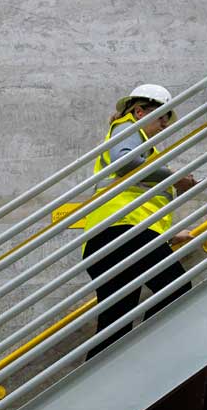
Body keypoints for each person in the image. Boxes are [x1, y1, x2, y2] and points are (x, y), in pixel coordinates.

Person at [82, 84, 197, 359]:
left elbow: (139, 199)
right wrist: (174, 178)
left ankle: (97, 380)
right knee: (176, 289)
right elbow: (126, 162)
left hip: (113, 236)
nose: (164, 125)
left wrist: (167, 237)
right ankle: (142, 358)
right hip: (123, 233)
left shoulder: (142, 143)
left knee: (116, 322)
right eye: (161, 117)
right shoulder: (128, 129)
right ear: (139, 111)